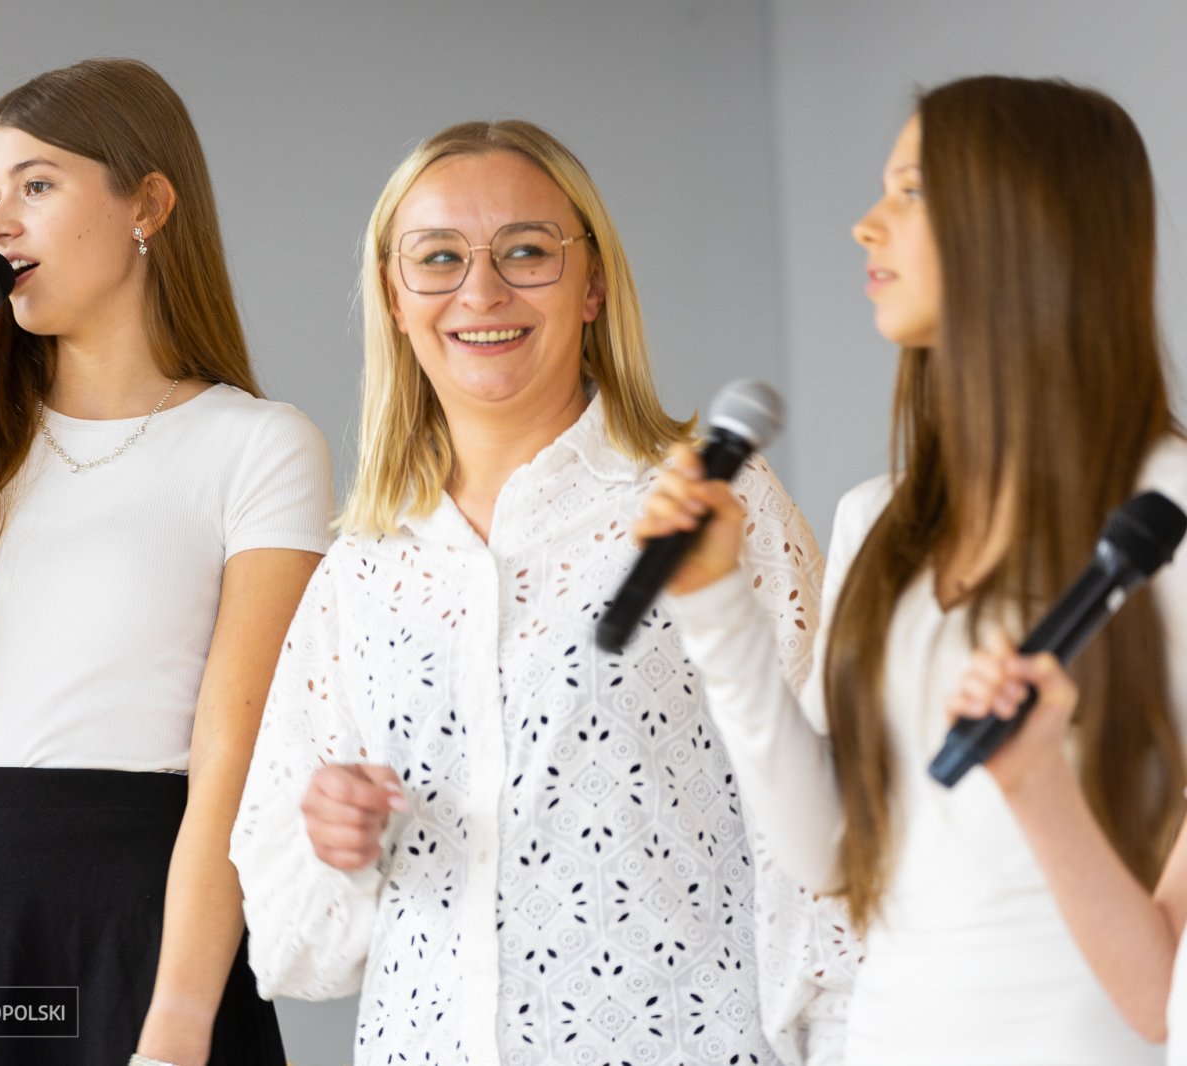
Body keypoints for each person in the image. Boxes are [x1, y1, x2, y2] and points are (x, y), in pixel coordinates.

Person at [231, 119, 856, 1066]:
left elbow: (841, 828)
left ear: (592, 283)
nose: (481, 291)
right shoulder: (361, 569)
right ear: (394, 297)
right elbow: (290, 948)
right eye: (438, 257)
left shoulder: (715, 502)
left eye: (526, 251)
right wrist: (333, 840)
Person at [641, 75, 1187, 1064]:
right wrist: (715, 603)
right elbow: (828, 854)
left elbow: (1162, 996)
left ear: (1025, 221)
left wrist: (1040, 789)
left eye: (911, 191)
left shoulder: (1167, 513)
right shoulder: (881, 521)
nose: (865, 224)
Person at [0, 58, 332, 1066]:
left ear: (150, 205)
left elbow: (234, 766)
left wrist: (178, 1019)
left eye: (36, 185)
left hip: (132, 929)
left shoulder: (258, 445)